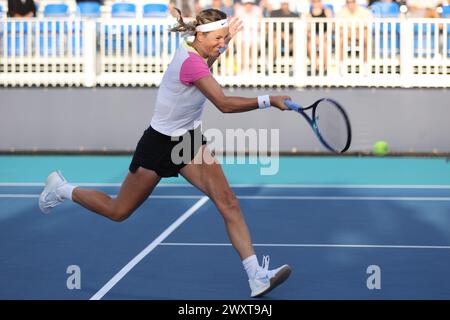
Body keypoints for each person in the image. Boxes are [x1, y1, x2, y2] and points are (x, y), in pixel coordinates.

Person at [38, 8, 292, 298]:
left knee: (228, 202)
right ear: (200, 35)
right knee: (118, 210)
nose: (223, 43)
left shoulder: (196, 49)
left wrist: (224, 42)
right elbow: (223, 103)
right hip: (159, 145)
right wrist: (268, 100)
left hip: (189, 141)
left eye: (225, 38)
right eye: (219, 38)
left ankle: (256, 275)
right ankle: (62, 189)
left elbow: (209, 57)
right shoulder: (190, 63)